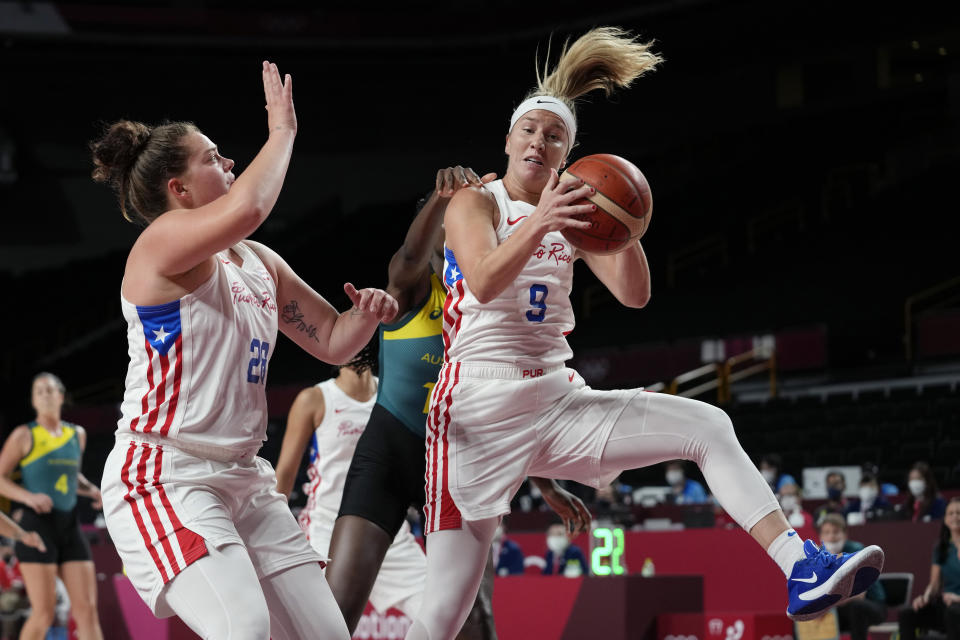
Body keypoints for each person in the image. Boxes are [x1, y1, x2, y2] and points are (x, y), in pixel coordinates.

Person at [404, 27, 885, 640]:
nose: (538, 141)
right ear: (508, 139)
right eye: (529, 130)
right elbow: (484, 277)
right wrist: (544, 220)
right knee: (444, 613)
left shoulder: (575, 213)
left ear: (567, 155)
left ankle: (800, 566)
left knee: (708, 425)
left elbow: (635, 296)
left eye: (555, 136)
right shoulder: (477, 203)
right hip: (476, 405)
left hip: (554, 398)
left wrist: (626, 220)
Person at [91, 62, 397, 639]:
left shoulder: (258, 261)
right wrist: (281, 132)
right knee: (244, 629)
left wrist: (367, 315)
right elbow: (249, 208)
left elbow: (332, 342)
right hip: (166, 472)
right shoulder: (157, 245)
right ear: (178, 190)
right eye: (212, 157)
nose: (228, 162)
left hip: (244, 479)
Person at [324, 166, 591, 638]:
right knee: (333, 610)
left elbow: (516, 397)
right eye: (452, 227)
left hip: (458, 460)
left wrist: (545, 483)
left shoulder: (494, 306)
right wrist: (444, 199)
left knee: (473, 622)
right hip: (391, 451)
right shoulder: (412, 289)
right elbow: (409, 254)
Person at [273, 350, 429, 626]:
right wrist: (272, 539)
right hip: (325, 534)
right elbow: (284, 474)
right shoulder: (315, 399)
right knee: (323, 628)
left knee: (442, 614)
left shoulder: (392, 392)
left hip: (388, 533)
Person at [0, 373, 102, 640]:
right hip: (36, 527)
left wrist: (92, 490)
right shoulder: (24, 435)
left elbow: (70, 478)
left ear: (60, 396)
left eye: (49, 390)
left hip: (69, 526)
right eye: (38, 391)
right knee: (43, 613)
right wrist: (27, 497)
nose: (44, 395)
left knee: (87, 611)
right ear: (33, 401)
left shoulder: (76, 435)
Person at [898, 496, 960, 640]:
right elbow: (934, 584)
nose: (955, 516)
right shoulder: (941, 548)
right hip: (947, 606)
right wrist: (925, 597)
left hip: (956, 608)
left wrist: (958, 598)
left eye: (959, 512)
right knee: (907, 613)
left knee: (953, 612)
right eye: (951, 513)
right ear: (945, 519)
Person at [818, 514, 886, 640]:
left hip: (872, 607)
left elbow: (859, 595)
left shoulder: (857, 552)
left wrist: (828, 606)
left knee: (856, 607)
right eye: (826, 533)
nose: (831, 537)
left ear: (844, 535)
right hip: (841, 609)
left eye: (836, 532)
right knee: (803, 616)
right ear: (820, 537)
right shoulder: (819, 558)